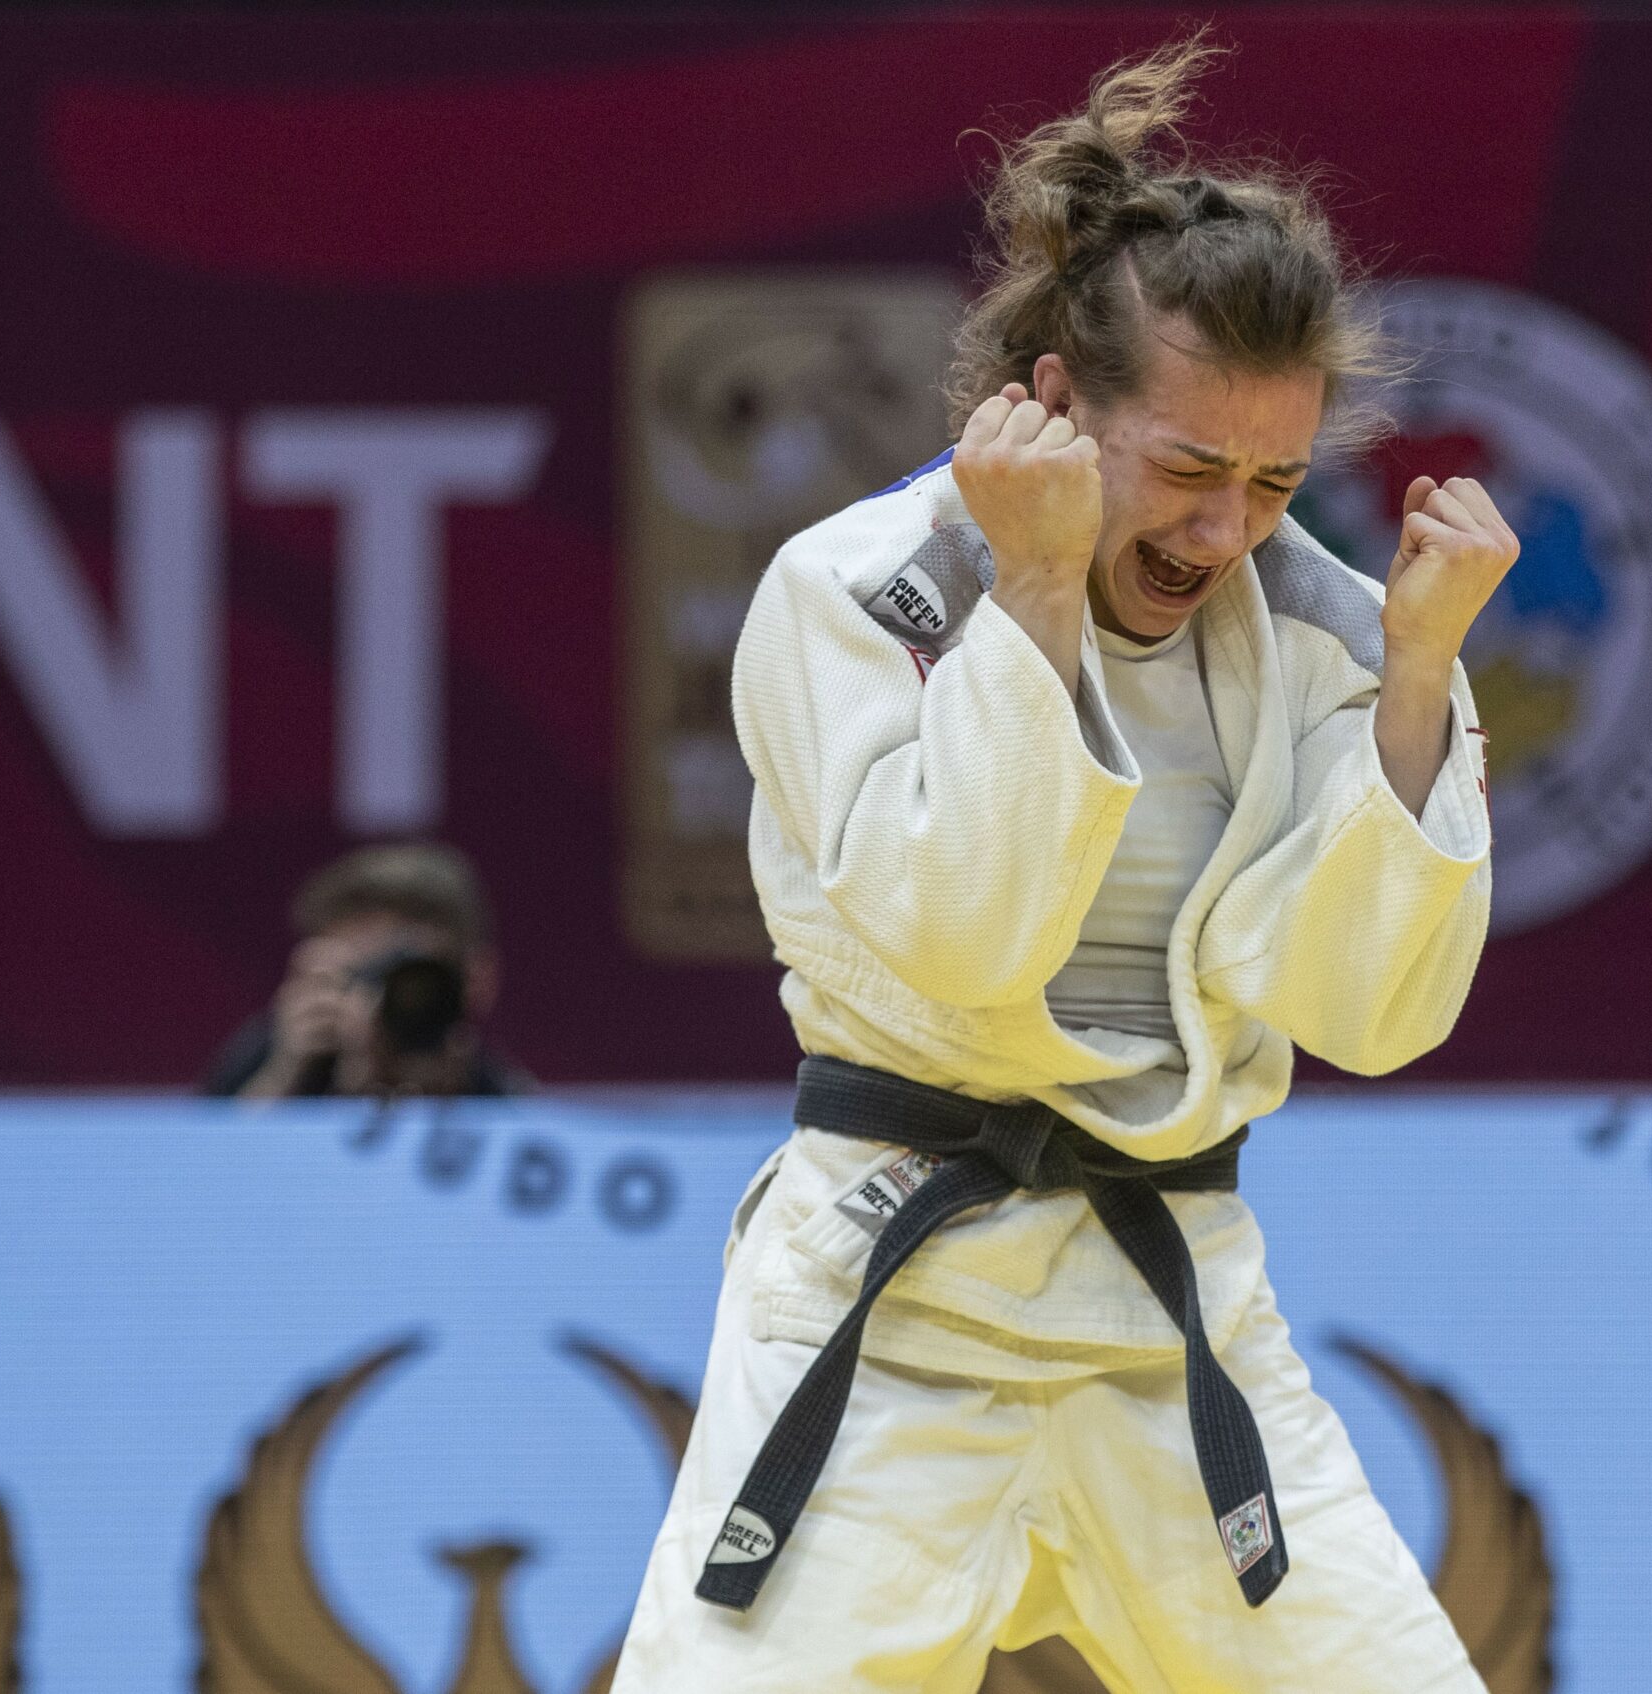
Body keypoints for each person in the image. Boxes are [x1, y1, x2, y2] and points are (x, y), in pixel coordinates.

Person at [615, 35, 1515, 1693]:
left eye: (1275, 480)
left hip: (1169, 1305)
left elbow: (1374, 1015)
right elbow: (965, 937)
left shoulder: (1337, 630)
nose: (1226, 530)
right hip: (891, 1295)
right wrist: (1030, 594)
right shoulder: (854, 592)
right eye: (1185, 468)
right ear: (1052, 402)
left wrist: (1416, 683)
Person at [200, 841, 525, 1100]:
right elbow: (206, 1159)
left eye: (409, 975)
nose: (383, 1000)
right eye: (362, 974)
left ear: (476, 980)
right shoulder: (271, 1064)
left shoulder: (506, 1101)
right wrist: (284, 1079)